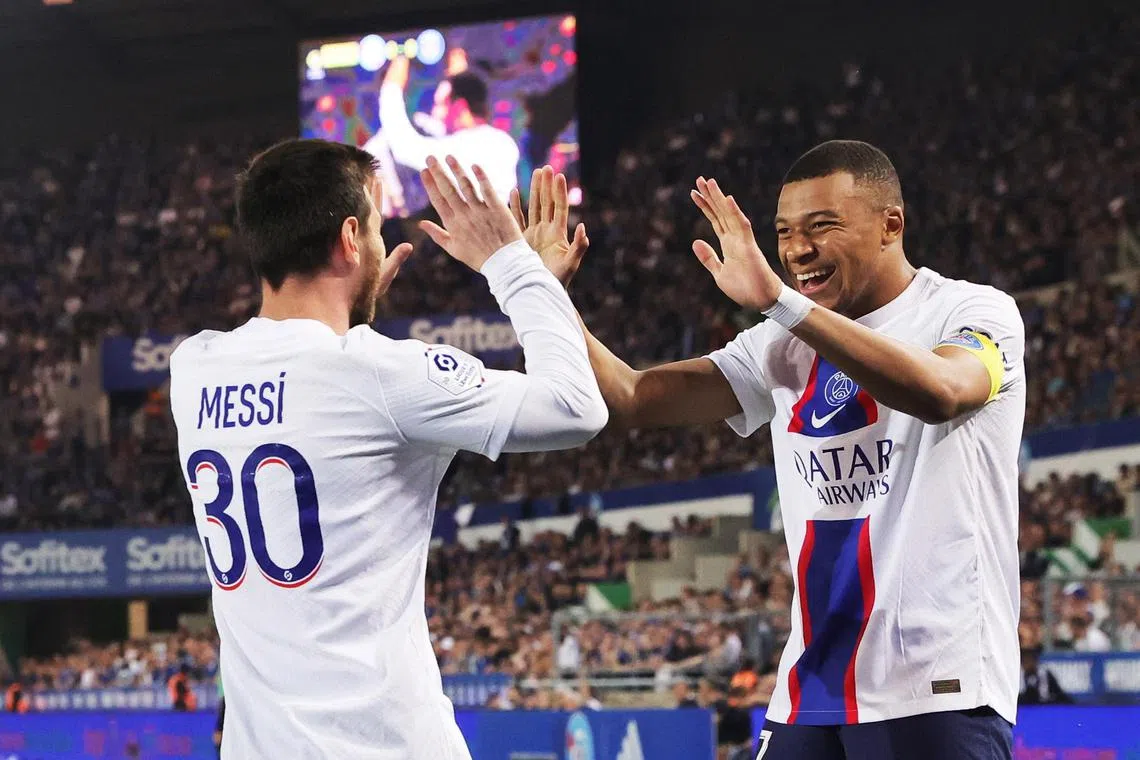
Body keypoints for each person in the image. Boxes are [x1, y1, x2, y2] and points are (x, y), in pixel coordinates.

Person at [521, 140, 1025, 759]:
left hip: (934, 684)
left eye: (822, 226)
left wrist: (780, 303)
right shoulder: (777, 345)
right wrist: (546, 296)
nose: (795, 250)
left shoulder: (971, 311)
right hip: (810, 689)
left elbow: (943, 392)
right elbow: (632, 397)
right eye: (784, 232)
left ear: (891, 224)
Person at [169, 141, 606, 759]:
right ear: (350, 237)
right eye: (375, 227)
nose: (379, 242)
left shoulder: (194, 366)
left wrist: (356, 316)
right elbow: (576, 408)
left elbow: (316, 399)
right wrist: (516, 267)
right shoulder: (379, 372)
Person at [367, 55, 520, 212]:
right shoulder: (503, 142)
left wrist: (391, 87)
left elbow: (404, 147)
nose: (436, 112)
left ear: (459, 106)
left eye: (441, 104)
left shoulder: (468, 147)